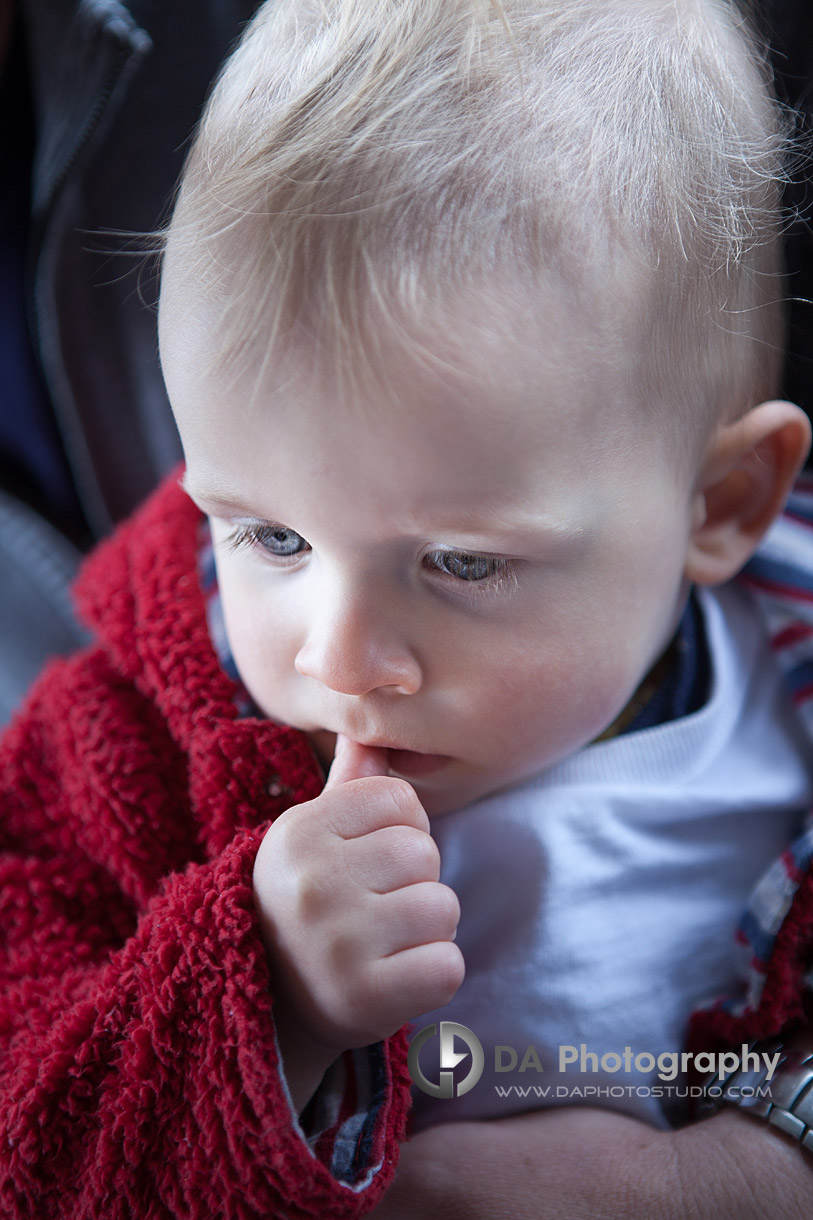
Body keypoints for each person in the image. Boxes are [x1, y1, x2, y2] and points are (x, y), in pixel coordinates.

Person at [2, 1, 813, 1217]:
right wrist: (261, 988)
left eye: (461, 563)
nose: (338, 657)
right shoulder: (116, 752)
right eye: (271, 535)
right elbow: (30, 1145)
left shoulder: (786, 717)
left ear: (720, 501)